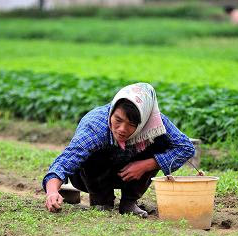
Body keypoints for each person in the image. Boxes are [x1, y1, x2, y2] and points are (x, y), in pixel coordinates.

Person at [43, 83, 195, 217]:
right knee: (92, 151)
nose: (122, 129)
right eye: (118, 120)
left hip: (131, 173)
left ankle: (129, 202)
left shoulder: (154, 122)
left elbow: (186, 148)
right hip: (89, 176)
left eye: (131, 124)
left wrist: (146, 165)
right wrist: (52, 192)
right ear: (112, 112)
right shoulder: (95, 125)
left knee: (160, 141)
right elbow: (66, 160)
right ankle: (101, 200)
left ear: (143, 121)